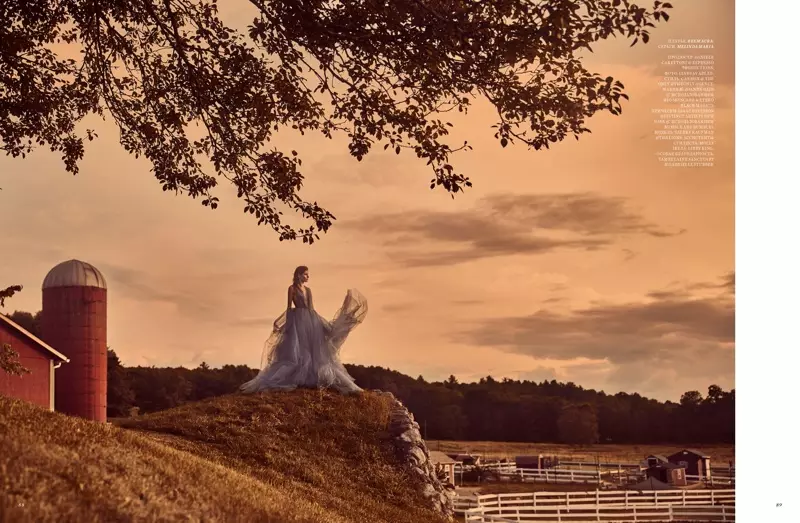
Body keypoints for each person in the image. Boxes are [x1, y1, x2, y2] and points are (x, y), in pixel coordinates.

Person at [240, 266, 367, 395]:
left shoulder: (308, 290)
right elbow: (289, 308)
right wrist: (284, 323)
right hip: (297, 320)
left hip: (310, 320)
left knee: (314, 349)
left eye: (308, 274)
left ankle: (312, 376)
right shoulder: (292, 289)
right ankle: (299, 377)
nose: (308, 277)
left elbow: (311, 308)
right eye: (306, 274)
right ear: (299, 275)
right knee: (298, 349)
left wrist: (319, 323)